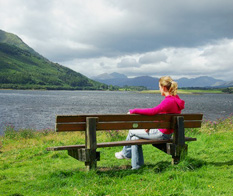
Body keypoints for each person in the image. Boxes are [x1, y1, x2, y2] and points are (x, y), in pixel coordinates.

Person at [115, 76, 185, 170]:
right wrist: (150, 125)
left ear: (164, 88)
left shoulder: (168, 101)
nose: (159, 89)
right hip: (167, 133)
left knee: (132, 131)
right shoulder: (176, 100)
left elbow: (153, 111)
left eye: (159, 87)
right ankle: (137, 166)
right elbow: (162, 116)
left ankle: (125, 153)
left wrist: (134, 110)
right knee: (135, 138)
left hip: (161, 134)